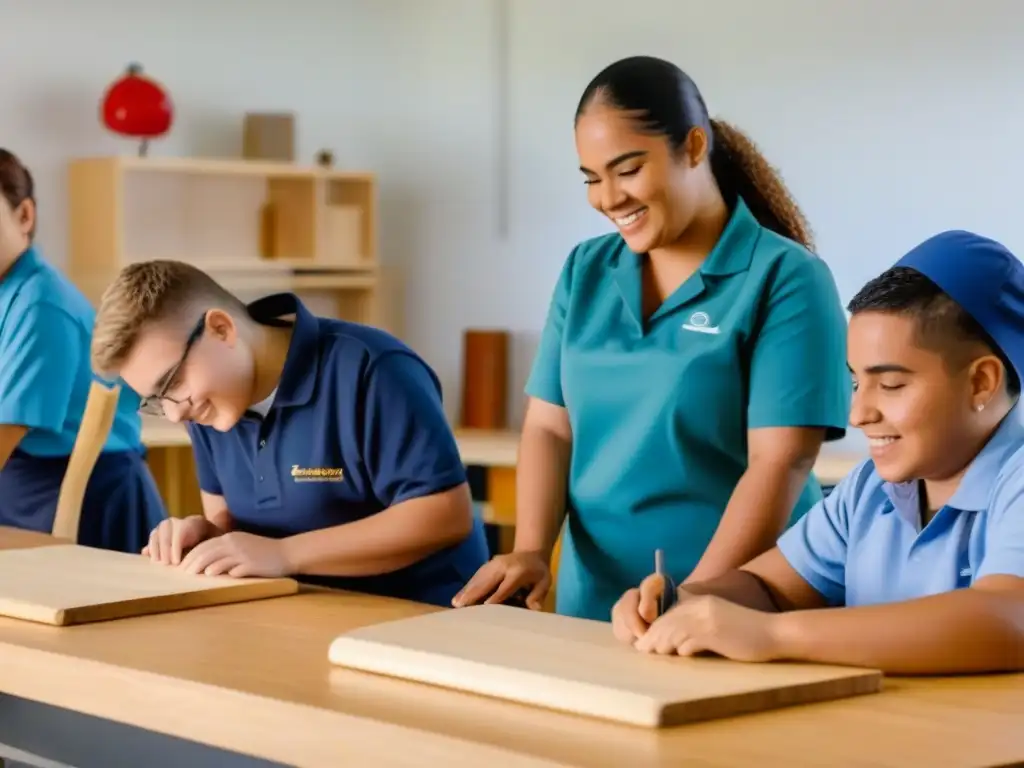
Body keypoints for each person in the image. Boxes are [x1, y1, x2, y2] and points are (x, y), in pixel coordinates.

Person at [453, 56, 851, 620]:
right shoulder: (585, 271)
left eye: (628, 169)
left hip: (740, 605)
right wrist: (531, 550)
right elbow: (549, 426)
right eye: (592, 178)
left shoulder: (786, 278)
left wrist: (699, 596)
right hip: (595, 606)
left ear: (692, 147)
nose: (608, 197)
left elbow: (780, 462)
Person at [611, 230, 1024, 675]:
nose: (858, 413)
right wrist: (683, 605)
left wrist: (772, 636)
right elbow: (769, 587)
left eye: (890, 385)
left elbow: (1007, 619)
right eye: (855, 382)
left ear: (981, 382)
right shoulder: (869, 490)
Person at [89, 259, 489, 607]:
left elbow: (445, 515)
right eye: (157, 400)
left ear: (221, 329)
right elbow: (231, 522)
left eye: (172, 383)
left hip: (421, 619)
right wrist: (208, 537)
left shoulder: (373, 369)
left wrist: (285, 554)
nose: (175, 414)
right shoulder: (207, 409)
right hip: (306, 615)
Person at [0, 148, 167, 551]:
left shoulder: (40, 303)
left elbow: (5, 433)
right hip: (23, 486)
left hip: (86, 496)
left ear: (24, 216)